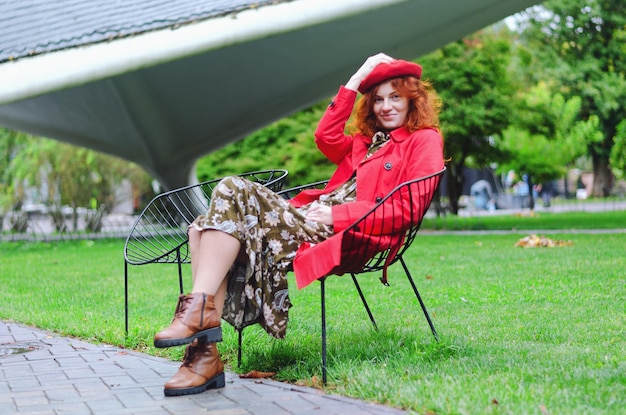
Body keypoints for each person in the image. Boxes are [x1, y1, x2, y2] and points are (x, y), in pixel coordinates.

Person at [153, 53, 445, 396]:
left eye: (395, 97)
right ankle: (203, 353)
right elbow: (325, 136)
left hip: (346, 232)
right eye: (378, 99)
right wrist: (356, 79)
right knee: (201, 227)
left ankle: (199, 338)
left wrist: (337, 216)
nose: (385, 107)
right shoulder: (363, 144)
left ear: (413, 98)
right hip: (305, 221)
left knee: (231, 188)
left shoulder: (423, 139)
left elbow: (407, 209)